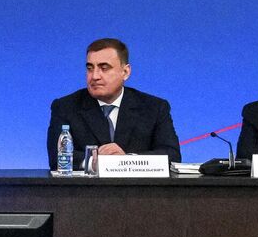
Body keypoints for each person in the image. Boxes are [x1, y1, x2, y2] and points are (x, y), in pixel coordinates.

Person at [44, 38, 180, 168]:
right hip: (87, 185)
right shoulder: (65, 107)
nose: (95, 76)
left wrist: (127, 161)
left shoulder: (154, 107)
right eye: (90, 68)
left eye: (104, 68)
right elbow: (57, 158)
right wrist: (96, 162)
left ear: (125, 72)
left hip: (137, 185)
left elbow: (172, 156)